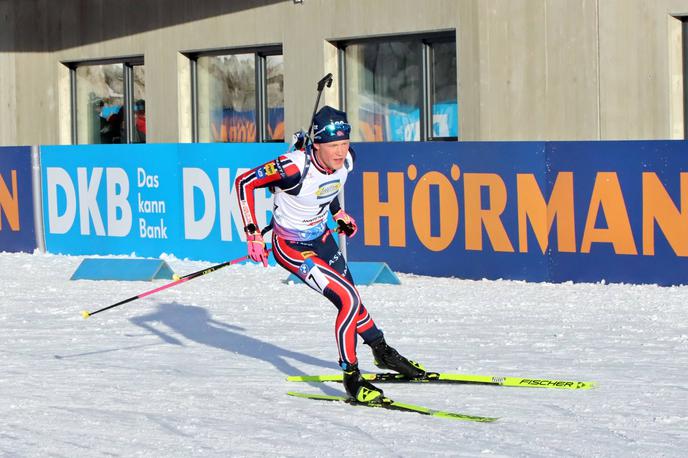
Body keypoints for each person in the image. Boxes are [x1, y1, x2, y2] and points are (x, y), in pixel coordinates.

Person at [235, 106, 425, 403]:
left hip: (322, 237)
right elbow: (244, 182)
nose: (340, 152)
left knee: (352, 299)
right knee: (347, 299)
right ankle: (352, 377)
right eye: (333, 145)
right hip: (291, 248)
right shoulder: (293, 166)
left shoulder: (348, 159)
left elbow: (329, 186)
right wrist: (252, 232)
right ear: (317, 144)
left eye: (344, 143)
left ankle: (382, 352)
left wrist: (338, 214)